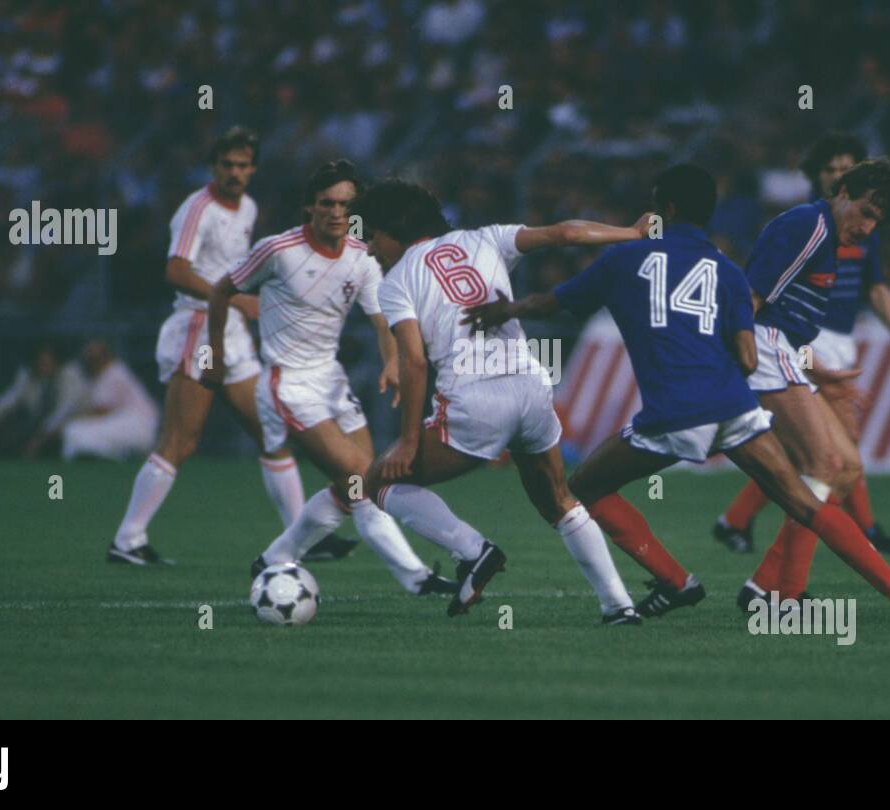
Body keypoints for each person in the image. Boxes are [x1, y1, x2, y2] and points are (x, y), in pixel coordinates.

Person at [464, 163, 890, 629]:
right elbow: (751, 353)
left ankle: (682, 581)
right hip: (736, 402)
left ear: (663, 208)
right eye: (867, 213)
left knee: (585, 485)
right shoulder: (730, 268)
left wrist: (505, 309)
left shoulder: (624, 258)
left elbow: (554, 302)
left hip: (680, 410)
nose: (867, 226)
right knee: (813, 495)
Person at [357, 178, 649, 624]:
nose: (371, 249)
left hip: (475, 401)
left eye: (373, 236)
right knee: (558, 500)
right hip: (532, 387)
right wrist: (630, 232)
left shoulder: (396, 281)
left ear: (394, 229)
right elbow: (565, 233)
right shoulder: (485, 238)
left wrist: (409, 440)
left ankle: (474, 551)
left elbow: (414, 362)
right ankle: (618, 605)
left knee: (377, 480)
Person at [208, 161, 454, 597]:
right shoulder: (278, 250)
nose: (336, 212)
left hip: (332, 382)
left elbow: (383, 323)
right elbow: (221, 290)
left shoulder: (362, 258)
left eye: (345, 204)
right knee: (365, 480)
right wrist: (217, 354)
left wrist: (392, 362)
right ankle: (418, 579)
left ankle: (273, 559)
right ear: (310, 206)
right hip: (288, 384)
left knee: (355, 487)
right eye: (327, 203)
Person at [107, 127, 324, 566]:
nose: (235, 173)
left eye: (244, 165)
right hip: (198, 329)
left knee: (273, 431)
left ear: (253, 169)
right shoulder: (197, 208)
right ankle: (127, 539)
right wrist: (236, 298)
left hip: (232, 333)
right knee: (181, 441)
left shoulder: (247, 207)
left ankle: (300, 538)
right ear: (213, 167)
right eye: (228, 164)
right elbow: (175, 270)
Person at [713, 133, 890, 555]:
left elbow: (869, 291)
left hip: (796, 351)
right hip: (770, 350)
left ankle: (757, 558)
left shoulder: (835, 237)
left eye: (875, 221)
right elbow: (753, 301)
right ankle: (782, 580)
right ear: (838, 187)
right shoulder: (809, 226)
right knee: (828, 463)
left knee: (836, 465)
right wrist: (724, 364)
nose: (867, 227)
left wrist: (817, 370)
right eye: (865, 213)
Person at [0, 342, 85, 457]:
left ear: (58, 362)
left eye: (47, 363)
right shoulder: (27, 376)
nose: (43, 367)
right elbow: (4, 404)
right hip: (40, 428)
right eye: (40, 363)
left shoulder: (71, 376)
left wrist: (38, 440)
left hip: (73, 425)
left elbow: (61, 412)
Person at [56, 339, 160, 463]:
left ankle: (101, 454)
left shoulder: (113, 372)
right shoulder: (105, 374)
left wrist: (67, 422)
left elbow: (100, 411)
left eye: (96, 357)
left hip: (136, 424)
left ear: (105, 356)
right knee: (74, 430)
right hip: (134, 424)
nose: (92, 361)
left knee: (73, 430)